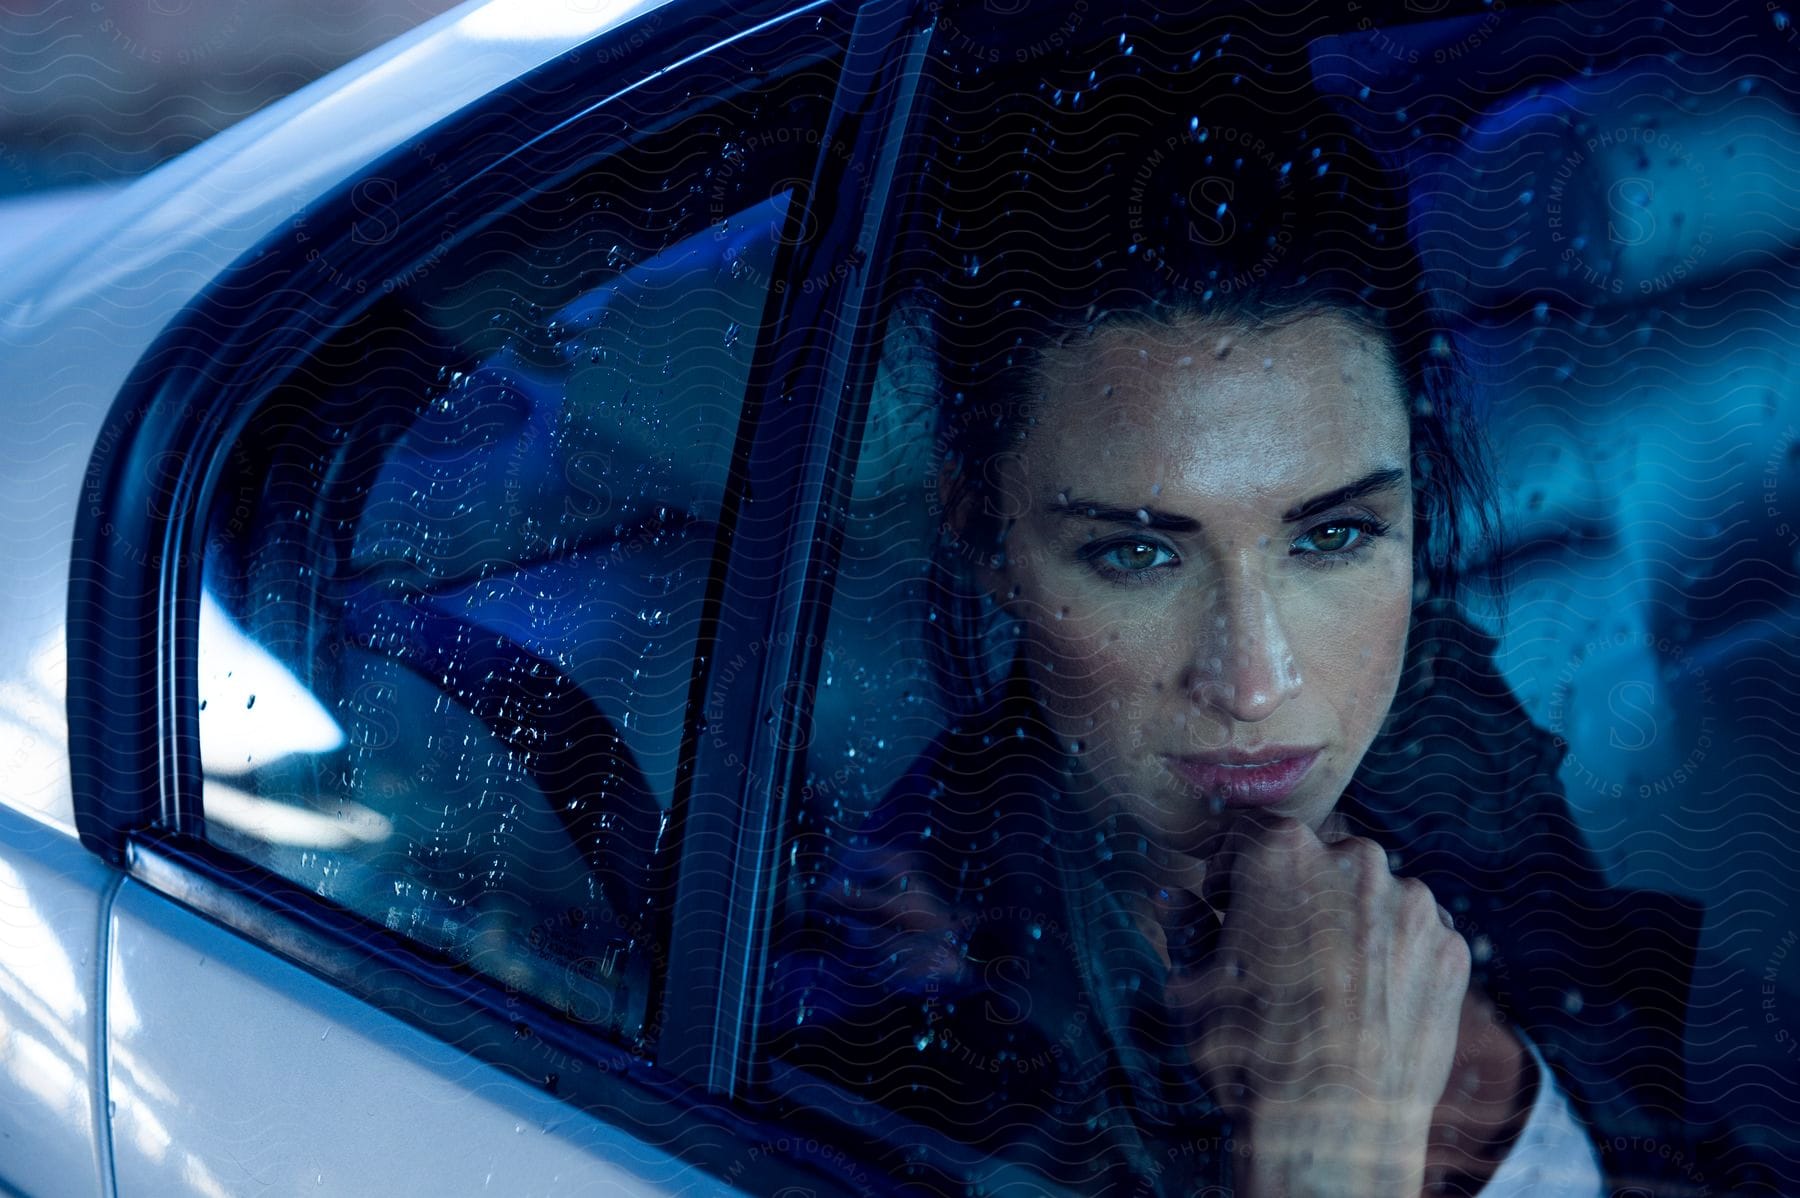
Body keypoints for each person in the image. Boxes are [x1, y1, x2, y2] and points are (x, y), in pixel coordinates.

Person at [764, 41, 1745, 1198]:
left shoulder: (1431, 713)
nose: (1257, 682)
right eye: (1136, 552)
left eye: (1331, 535)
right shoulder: (920, 1036)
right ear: (984, 535)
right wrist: (1324, 1159)